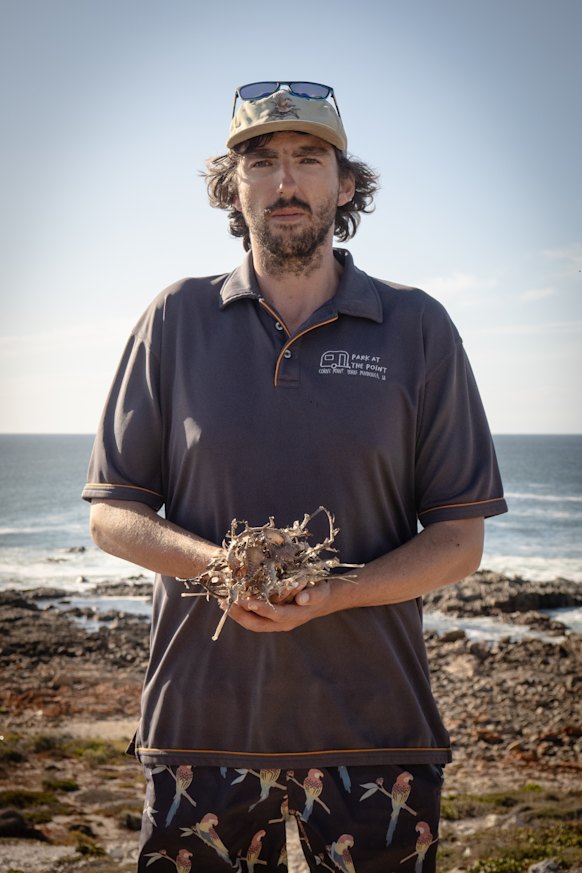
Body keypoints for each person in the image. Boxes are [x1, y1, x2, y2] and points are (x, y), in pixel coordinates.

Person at [83, 81, 507, 872]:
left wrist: (337, 591)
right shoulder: (175, 318)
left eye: (309, 159)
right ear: (231, 188)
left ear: (345, 186)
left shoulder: (418, 328)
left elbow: (458, 539)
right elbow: (112, 514)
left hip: (378, 727)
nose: (285, 182)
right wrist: (220, 568)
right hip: (201, 728)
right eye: (262, 163)